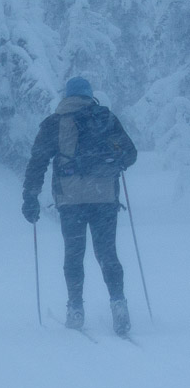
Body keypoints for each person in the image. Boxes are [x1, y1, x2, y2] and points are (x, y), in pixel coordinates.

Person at [22, 77, 137, 335]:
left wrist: (30, 196)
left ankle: (75, 307)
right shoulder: (106, 119)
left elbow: (37, 161)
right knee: (107, 253)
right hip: (104, 198)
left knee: (74, 254)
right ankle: (118, 304)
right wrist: (114, 155)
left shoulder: (54, 123)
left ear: (67, 96)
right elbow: (129, 153)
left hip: (71, 201)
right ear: (89, 95)